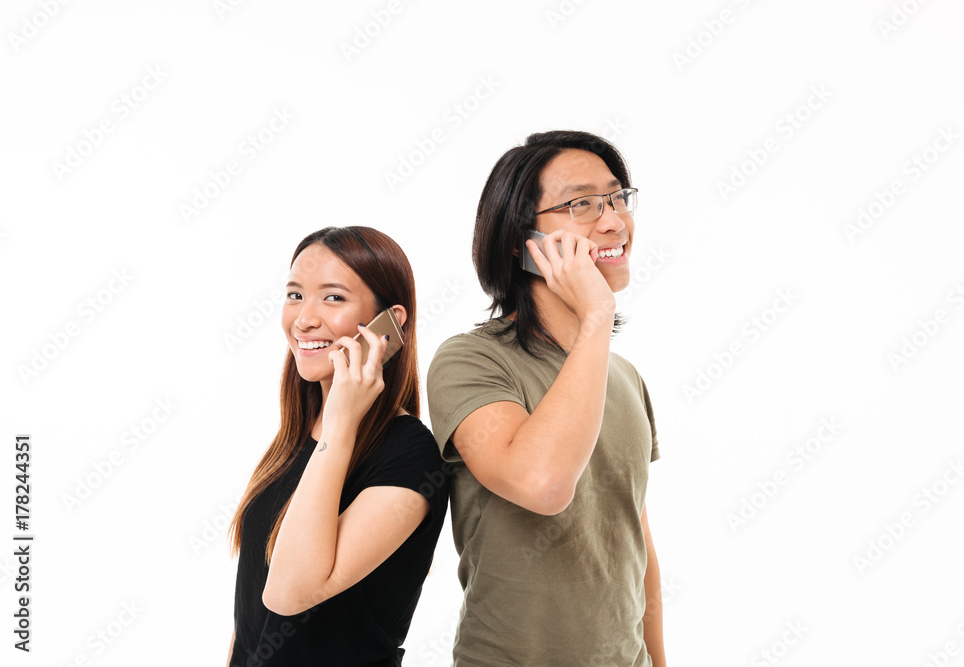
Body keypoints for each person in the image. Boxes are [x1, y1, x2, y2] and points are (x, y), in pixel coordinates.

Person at [427, 130, 666, 665]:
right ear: (520, 241)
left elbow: (636, 549)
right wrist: (596, 315)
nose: (613, 221)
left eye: (617, 197)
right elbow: (542, 484)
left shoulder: (622, 375)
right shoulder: (470, 361)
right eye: (581, 203)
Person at [227, 226, 449, 666]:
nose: (305, 319)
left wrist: (341, 423)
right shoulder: (296, 436)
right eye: (295, 295)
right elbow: (252, 615)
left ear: (391, 323)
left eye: (333, 298)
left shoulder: (411, 456)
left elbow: (288, 593)